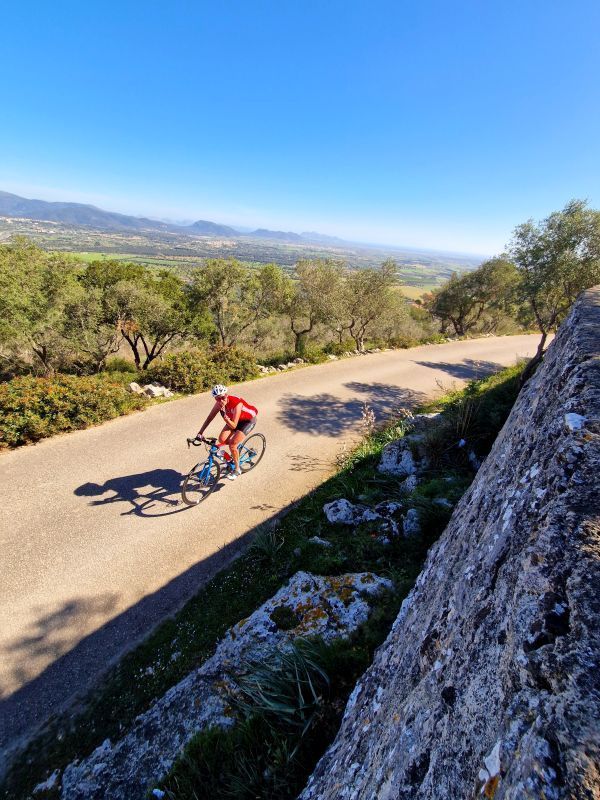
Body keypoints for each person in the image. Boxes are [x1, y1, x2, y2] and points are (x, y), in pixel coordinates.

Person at [196, 384, 258, 480]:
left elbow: (234, 426)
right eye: (218, 399)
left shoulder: (236, 403)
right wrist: (200, 432)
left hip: (248, 421)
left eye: (222, 397)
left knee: (232, 445)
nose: (221, 400)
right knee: (222, 439)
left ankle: (237, 469)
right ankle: (232, 455)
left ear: (226, 394)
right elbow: (209, 418)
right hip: (232, 420)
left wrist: (225, 416)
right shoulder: (219, 404)